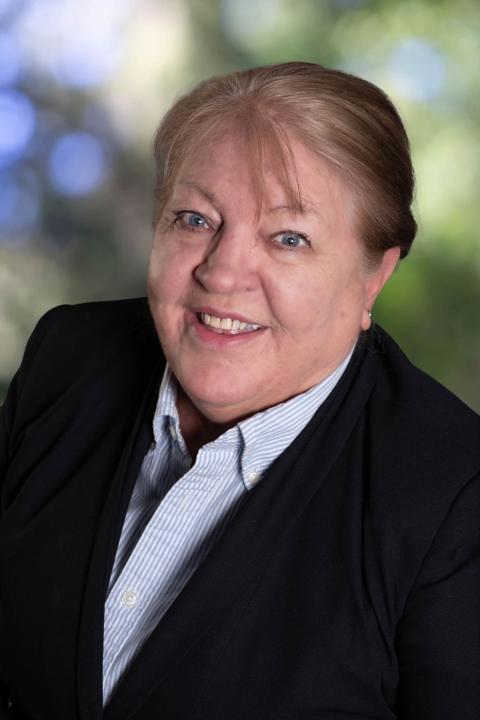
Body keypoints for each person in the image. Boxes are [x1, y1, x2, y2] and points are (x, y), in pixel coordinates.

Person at [0, 61, 479, 720]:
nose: (223, 273)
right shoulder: (70, 362)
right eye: (195, 219)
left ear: (374, 276)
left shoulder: (455, 500)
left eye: (288, 238)